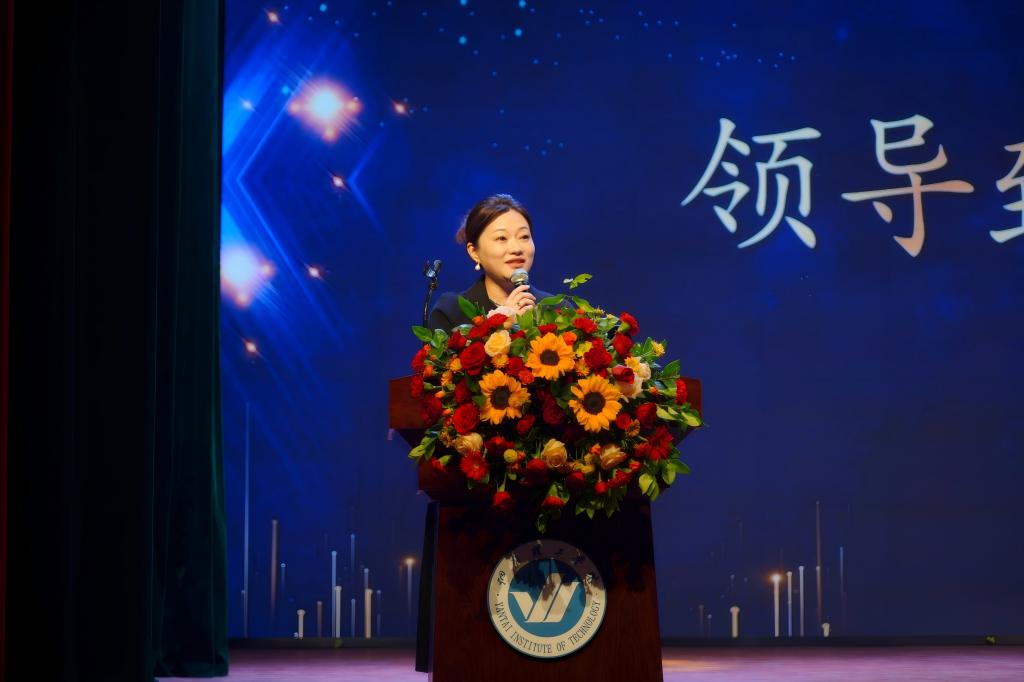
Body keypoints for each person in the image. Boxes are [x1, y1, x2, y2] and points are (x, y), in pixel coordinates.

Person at [427, 193, 553, 330]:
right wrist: (504, 323)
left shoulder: (557, 309)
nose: (516, 249)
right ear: (474, 252)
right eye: (501, 238)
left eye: (524, 237)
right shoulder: (451, 312)